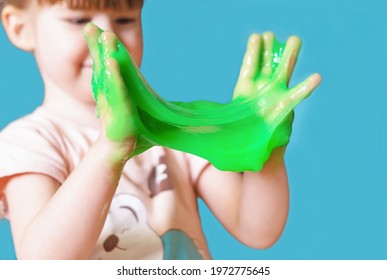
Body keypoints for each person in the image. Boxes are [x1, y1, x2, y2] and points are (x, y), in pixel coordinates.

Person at [0, 0, 321, 259]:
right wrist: (111, 150)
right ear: (20, 27)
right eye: (79, 20)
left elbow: (257, 229)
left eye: (125, 20)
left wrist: (263, 143)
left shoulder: (172, 130)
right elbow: (41, 264)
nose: (108, 36)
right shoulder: (29, 143)